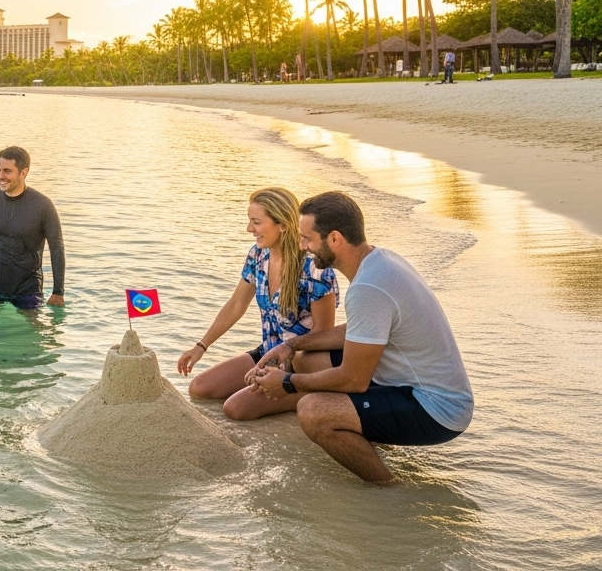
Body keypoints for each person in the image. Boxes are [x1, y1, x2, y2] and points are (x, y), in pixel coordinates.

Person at [248, 192, 474, 483]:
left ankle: (388, 490)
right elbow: (362, 331)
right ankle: (368, 432)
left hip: (437, 409)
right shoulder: (379, 260)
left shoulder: (368, 287)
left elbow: (354, 380)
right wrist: (292, 344)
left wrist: (288, 384)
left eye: (307, 239)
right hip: (407, 383)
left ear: (334, 240)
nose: (302, 247)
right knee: (306, 359)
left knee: (313, 411)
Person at [176, 188, 338, 420]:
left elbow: (325, 332)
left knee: (235, 408)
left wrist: (284, 370)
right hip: (267, 352)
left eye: (256, 222)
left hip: (302, 362)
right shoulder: (258, 256)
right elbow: (236, 304)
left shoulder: (315, 267)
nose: (249, 229)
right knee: (200, 388)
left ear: (281, 224)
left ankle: (312, 390)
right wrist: (201, 346)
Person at [0, 146, 66, 310]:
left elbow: (56, 247)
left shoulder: (42, 205)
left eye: (7, 171)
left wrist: (58, 291)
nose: (1, 176)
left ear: (24, 173)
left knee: (26, 335)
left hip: (28, 292)